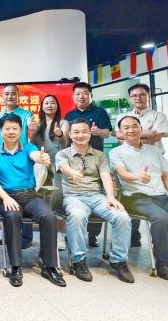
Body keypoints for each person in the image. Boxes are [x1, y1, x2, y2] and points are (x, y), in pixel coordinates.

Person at [0, 113, 65, 287]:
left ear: (21, 131)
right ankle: (15, 266)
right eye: (7, 128)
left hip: (30, 196)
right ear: (1, 131)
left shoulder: (28, 148)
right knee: (12, 216)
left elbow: (36, 155)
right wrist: (5, 198)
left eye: (15, 128)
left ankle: (50, 266)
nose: (11, 132)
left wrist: (41, 158)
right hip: (6, 197)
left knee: (48, 216)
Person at [56, 118, 134, 283]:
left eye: (84, 131)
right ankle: (78, 260)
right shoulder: (62, 154)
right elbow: (63, 167)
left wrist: (111, 197)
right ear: (70, 134)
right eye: (76, 132)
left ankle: (119, 260)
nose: (80, 135)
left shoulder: (99, 155)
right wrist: (73, 173)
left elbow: (105, 176)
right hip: (74, 197)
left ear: (90, 134)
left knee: (122, 216)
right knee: (76, 215)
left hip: (98, 197)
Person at [110, 115, 168, 280]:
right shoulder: (116, 152)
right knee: (160, 217)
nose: (131, 130)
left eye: (134, 126)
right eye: (126, 127)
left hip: (162, 197)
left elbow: (165, 175)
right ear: (120, 133)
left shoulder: (154, 150)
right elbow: (122, 174)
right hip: (136, 198)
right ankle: (163, 265)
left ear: (141, 129)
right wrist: (137, 175)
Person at [114, 83, 168, 247]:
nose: (138, 98)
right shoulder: (123, 115)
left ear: (148, 96)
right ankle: (132, 237)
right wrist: (146, 133)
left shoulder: (158, 116)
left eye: (142, 95)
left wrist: (129, 137)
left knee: (152, 199)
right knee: (130, 198)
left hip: (152, 162)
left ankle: (158, 241)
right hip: (127, 161)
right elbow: (118, 137)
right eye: (134, 96)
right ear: (130, 98)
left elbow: (157, 137)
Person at [64, 82, 112, 247]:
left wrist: (98, 132)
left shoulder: (99, 112)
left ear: (91, 95)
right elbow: (66, 137)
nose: (81, 97)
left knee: (96, 192)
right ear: (73, 96)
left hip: (95, 158)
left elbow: (107, 132)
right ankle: (73, 233)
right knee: (75, 197)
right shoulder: (70, 115)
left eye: (85, 93)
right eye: (77, 94)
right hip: (74, 158)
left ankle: (93, 235)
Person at [0, 84, 34, 249]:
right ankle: (9, 237)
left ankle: (26, 237)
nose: (10, 96)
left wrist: (33, 127)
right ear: (2, 96)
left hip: (21, 158)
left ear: (18, 96)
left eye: (13, 94)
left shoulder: (26, 114)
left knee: (27, 196)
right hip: (2, 159)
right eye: (7, 94)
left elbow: (31, 128)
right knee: (7, 203)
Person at [29, 95, 70, 250]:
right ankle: (46, 234)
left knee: (58, 200)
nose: (49, 105)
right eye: (46, 103)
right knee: (43, 200)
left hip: (59, 166)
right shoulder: (38, 124)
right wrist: (33, 131)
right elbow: (32, 144)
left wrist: (59, 133)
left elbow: (65, 142)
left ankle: (60, 235)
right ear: (42, 107)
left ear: (57, 106)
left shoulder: (63, 123)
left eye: (53, 102)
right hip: (42, 167)